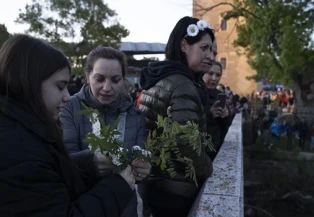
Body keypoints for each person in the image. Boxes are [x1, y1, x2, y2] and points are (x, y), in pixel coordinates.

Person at [0, 35, 136, 217]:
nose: (67, 96)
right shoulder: (18, 149)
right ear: (29, 83)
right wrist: (118, 187)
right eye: (60, 86)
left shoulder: (22, 130)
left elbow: (47, 174)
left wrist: (89, 164)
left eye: (116, 79)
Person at [59, 45, 151, 216]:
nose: (107, 87)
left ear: (124, 79)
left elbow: (141, 157)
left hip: (125, 208)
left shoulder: (135, 115)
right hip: (84, 206)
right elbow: (64, 159)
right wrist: (90, 162)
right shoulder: (68, 108)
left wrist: (144, 169)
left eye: (115, 80)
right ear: (87, 76)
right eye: (99, 79)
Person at [138, 16, 214, 217]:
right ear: (184, 45)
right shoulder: (183, 85)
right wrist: (208, 168)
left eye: (212, 50)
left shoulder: (161, 76)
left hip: (154, 184)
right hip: (174, 191)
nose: (211, 56)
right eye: (204, 48)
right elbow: (185, 141)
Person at [203, 58, 234, 159]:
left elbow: (226, 126)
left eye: (218, 75)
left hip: (215, 150)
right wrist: (210, 114)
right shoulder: (195, 94)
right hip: (199, 152)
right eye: (210, 73)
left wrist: (227, 114)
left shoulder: (220, 96)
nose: (214, 78)